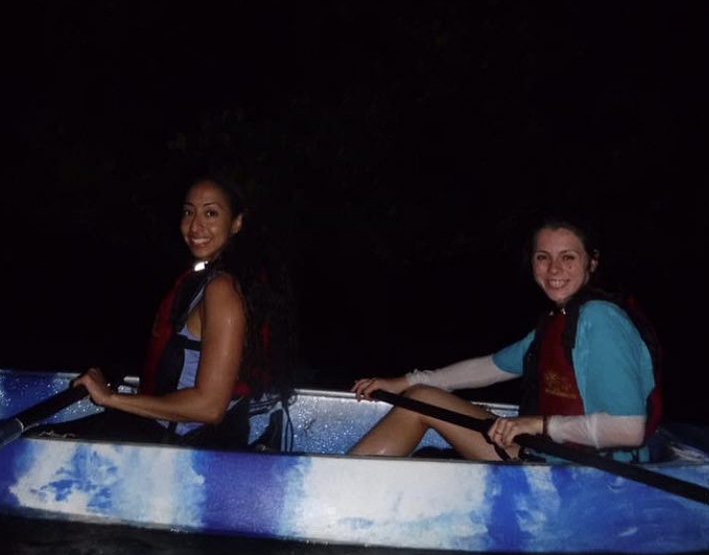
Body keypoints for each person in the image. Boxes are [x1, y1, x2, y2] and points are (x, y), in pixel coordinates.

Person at [349, 214, 661, 463]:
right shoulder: (561, 320)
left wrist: (538, 425)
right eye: (543, 257)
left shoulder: (600, 320)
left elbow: (628, 429)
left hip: (592, 475)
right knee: (420, 396)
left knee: (420, 400)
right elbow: (491, 367)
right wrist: (404, 382)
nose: (554, 269)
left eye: (568, 257)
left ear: (591, 263)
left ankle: (341, 488)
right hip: (550, 454)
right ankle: (348, 479)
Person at [33, 171, 297, 449]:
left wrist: (110, 399)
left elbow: (209, 407)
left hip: (180, 446)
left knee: (31, 445)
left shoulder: (222, 290)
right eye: (188, 212)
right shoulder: (209, 280)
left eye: (211, 214)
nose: (195, 226)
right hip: (164, 432)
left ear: (236, 223)